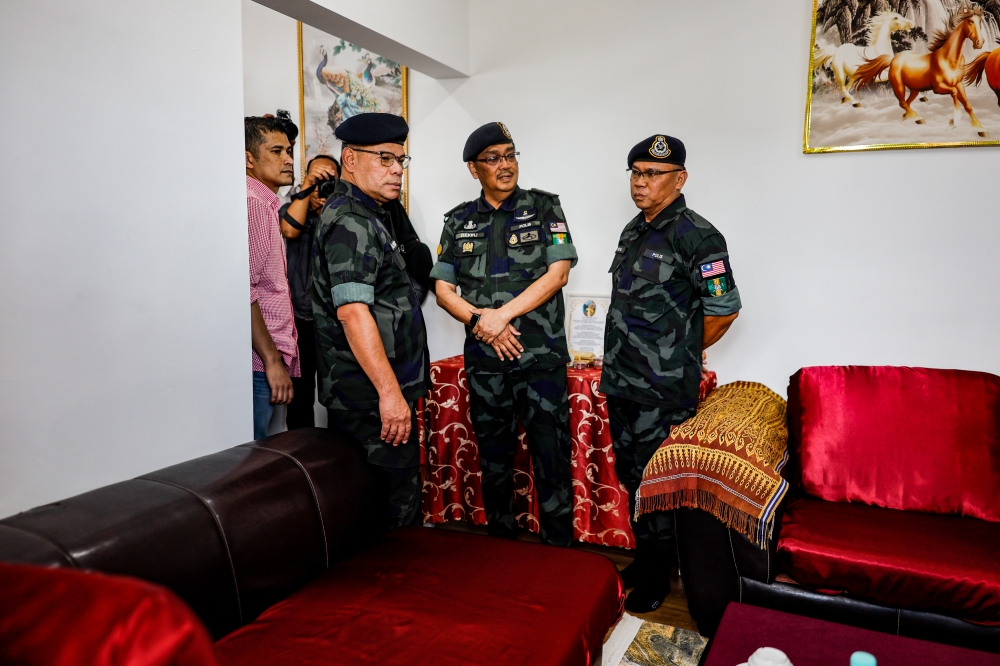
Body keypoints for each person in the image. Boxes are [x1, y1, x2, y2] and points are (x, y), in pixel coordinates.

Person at [600, 134, 741, 613]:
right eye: (635, 173)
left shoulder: (698, 237)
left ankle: (659, 576)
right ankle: (645, 560)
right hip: (621, 381)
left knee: (657, 484)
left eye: (652, 174)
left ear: (679, 179)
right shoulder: (633, 231)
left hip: (662, 390)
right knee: (630, 476)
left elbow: (724, 309)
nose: (641, 184)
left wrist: (677, 354)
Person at [429, 122, 576, 547]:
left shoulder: (545, 208)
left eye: (510, 155)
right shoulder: (458, 221)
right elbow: (442, 289)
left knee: (550, 458)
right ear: (474, 170)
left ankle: (559, 554)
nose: (505, 165)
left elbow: (559, 273)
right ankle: (501, 549)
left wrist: (500, 317)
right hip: (486, 364)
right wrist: (481, 324)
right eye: (493, 159)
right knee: (493, 461)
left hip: (540, 360)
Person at [312, 112, 429, 529]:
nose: (397, 169)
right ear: (350, 159)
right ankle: (401, 590)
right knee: (393, 509)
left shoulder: (371, 213)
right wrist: (389, 394)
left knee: (380, 503)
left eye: (401, 160)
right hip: (369, 397)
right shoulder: (352, 222)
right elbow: (352, 312)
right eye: (384, 158)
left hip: (374, 392)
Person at [245, 116, 300, 440]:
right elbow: (245, 291)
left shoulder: (264, 204)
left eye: (289, 150)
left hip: (263, 359)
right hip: (257, 362)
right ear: (248, 159)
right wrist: (271, 361)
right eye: (277, 150)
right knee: (248, 461)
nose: (289, 159)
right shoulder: (252, 204)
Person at [279, 154, 340, 430]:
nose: (321, 186)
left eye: (329, 180)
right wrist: (305, 191)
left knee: (338, 396)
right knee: (299, 400)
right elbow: (289, 231)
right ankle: (301, 464)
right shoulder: (292, 209)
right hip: (298, 322)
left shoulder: (342, 214)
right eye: (316, 179)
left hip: (334, 323)